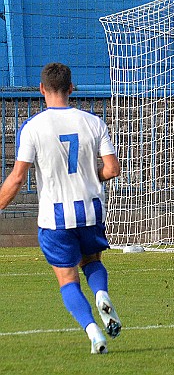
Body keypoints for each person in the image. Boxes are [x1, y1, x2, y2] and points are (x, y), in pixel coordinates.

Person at [0, 63, 121, 353]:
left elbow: (17, 178)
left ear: (42, 89)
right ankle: (101, 293)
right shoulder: (94, 123)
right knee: (92, 261)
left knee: (67, 279)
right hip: (90, 211)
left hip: (55, 218)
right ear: (71, 88)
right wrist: (93, 175)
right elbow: (112, 169)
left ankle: (94, 333)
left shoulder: (33, 127)